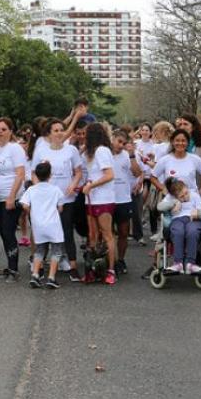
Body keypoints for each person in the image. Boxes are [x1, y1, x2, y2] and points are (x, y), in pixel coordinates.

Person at [30, 118, 84, 281]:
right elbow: (33, 173)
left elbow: (78, 171)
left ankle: (73, 267)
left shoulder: (71, 150)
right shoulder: (41, 151)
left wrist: (73, 184)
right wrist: (40, 190)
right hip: (47, 202)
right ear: (49, 133)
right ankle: (38, 267)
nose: (60, 133)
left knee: (66, 231)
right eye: (56, 130)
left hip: (66, 198)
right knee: (44, 232)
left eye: (62, 129)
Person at [0, 117, 27, 283]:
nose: (0, 132)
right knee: (3, 233)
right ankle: (10, 266)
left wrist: (12, 196)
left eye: (4, 129)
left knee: (8, 231)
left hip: (11, 197)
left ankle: (14, 269)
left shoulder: (15, 148)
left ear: (11, 131)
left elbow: (20, 174)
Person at [21, 162, 66, 289]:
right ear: (50, 175)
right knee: (56, 250)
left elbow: (24, 205)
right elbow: (61, 208)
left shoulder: (31, 189)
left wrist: (33, 212)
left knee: (39, 250)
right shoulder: (55, 189)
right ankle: (51, 277)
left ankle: (35, 275)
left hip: (38, 224)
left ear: (36, 174)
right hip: (53, 224)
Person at [82, 122, 117, 285]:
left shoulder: (102, 151)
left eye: (86, 134)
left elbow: (109, 175)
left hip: (103, 198)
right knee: (92, 236)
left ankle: (111, 270)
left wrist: (91, 185)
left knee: (107, 234)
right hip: (91, 198)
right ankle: (93, 269)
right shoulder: (88, 154)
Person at [157, 178, 201, 274]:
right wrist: (174, 202)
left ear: (187, 188)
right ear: (176, 196)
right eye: (181, 197)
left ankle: (190, 264)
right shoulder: (171, 197)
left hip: (193, 219)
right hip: (177, 219)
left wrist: (198, 213)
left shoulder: (194, 195)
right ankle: (178, 263)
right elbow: (159, 207)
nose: (185, 197)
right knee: (178, 231)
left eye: (186, 193)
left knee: (192, 231)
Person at [110, 129, 142, 274]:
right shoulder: (104, 154)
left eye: (124, 143)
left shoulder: (126, 155)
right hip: (108, 199)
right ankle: (110, 260)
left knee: (123, 232)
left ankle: (121, 260)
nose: (121, 145)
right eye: (119, 142)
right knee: (108, 233)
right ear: (112, 139)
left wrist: (131, 155)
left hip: (124, 199)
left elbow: (137, 173)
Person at [150, 129, 201, 197]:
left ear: (188, 143)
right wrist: (163, 189)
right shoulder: (165, 160)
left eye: (183, 141)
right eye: (177, 140)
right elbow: (153, 177)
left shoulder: (195, 159)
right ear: (172, 142)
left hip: (191, 198)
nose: (180, 143)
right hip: (172, 199)